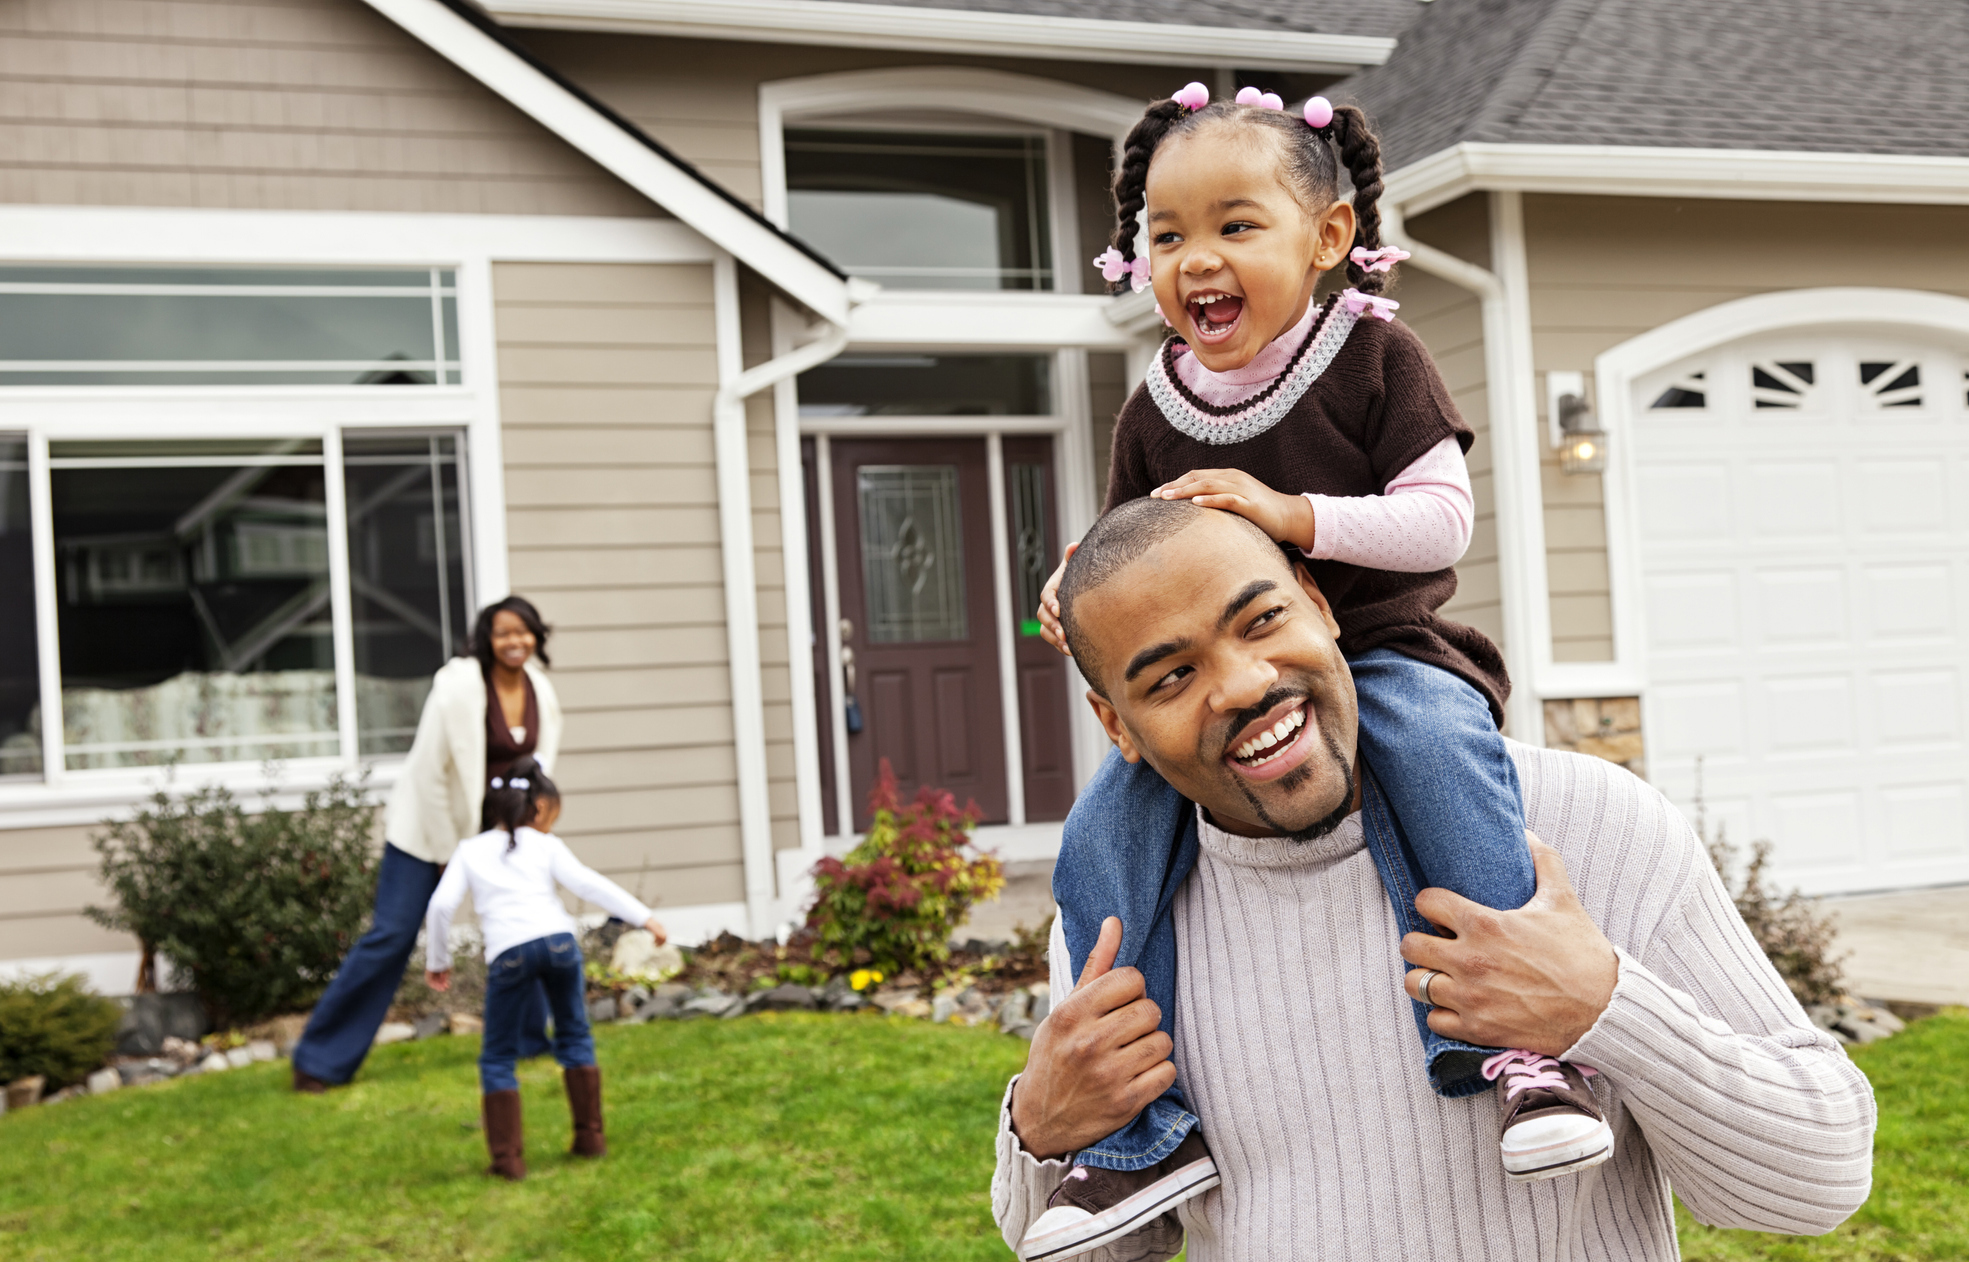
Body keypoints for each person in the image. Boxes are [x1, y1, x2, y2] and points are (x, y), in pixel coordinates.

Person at [996, 498, 1874, 1259]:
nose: (1244, 685)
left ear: (1316, 601)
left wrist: (1604, 1008)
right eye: (1173, 675)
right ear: (1116, 725)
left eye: (1260, 620)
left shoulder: (1584, 822)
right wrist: (1039, 1130)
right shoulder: (1118, 924)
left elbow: (1816, 1185)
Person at [1022, 84, 1578, 1257]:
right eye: (1165, 236)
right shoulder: (1154, 404)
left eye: (1234, 224)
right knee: (1095, 838)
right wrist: (1076, 577)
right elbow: (1137, 546)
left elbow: (1440, 523)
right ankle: (1141, 1132)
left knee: (1431, 753)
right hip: (1238, 702)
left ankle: (1523, 1051)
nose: (1195, 260)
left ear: (1326, 237)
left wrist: (1291, 514)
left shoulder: (1374, 355)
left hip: (1382, 652)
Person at [292, 596, 564, 1092]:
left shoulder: (540, 690)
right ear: (487, 638)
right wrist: (448, 855)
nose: (514, 642)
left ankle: (530, 1041)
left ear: (536, 637)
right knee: (391, 936)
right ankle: (319, 1062)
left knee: (523, 927)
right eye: (503, 632)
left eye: (523, 632)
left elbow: (540, 772)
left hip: (499, 837)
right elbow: (433, 776)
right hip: (426, 834)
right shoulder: (458, 685)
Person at [423, 757, 666, 1181]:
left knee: (498, 1054)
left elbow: (442, 905)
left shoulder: (471, 851)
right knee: (574, 1034)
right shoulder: (544, 843)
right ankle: (590, 1138)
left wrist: (438, 961)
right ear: (532, 809)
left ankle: (508, 1161)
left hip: (509, 953)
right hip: (559, 944)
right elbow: (589, 883)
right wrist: (645, 916)